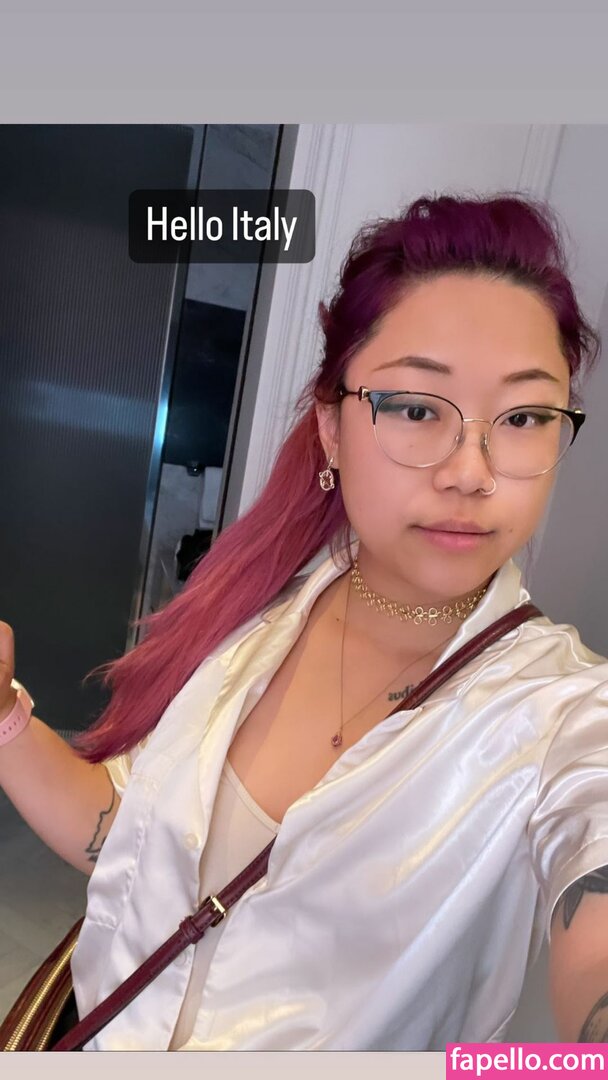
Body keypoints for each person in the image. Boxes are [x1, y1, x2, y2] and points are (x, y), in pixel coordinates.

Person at [1, 191, 608, 1052]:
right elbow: (128, 844)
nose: (472, 471)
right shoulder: (259, 609)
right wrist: (5, 714)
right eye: (416, 407)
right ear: (330, 429)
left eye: (523, 418)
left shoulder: (565, 716)